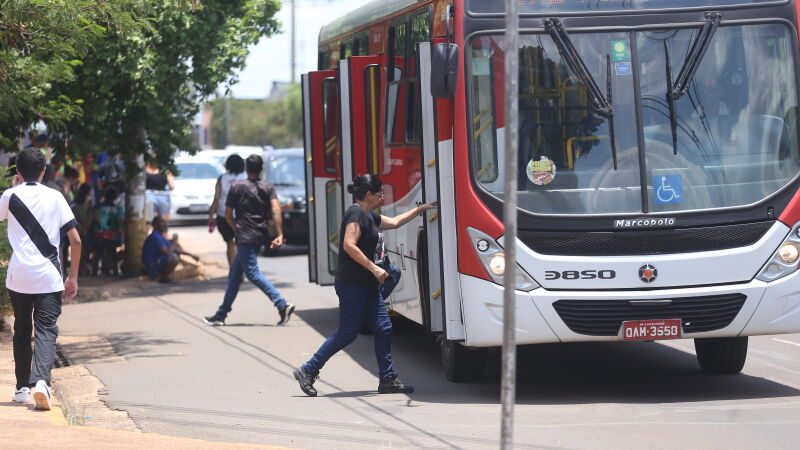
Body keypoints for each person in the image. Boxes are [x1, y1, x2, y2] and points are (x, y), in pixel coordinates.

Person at [293, 174, 437, 397]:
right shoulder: (356, 213)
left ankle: (387, 378)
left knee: (384, 328)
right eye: (379, 193)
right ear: (369, 195)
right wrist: (374, 268)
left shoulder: (369, 215)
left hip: (367, 285)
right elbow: (349, 245)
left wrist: (421, 210)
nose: (382, 197)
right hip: (352, 284)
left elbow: (396, 222)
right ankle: (308, 369)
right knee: (347, 333)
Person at [0, 147, 81, 411]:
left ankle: (22, 388)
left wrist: (13, 189)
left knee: (22, 329)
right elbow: (76, 240)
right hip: (48, 276)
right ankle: (42, 383)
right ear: (44, 171)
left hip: (19, 277)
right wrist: (73, 277)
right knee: (46, 330)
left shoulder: (9, 196)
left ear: (18, 172)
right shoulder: (56, 197)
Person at [203, 154, 295, 327]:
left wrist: (237, 229)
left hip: (245, 235)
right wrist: (280, 234)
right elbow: (276, 210)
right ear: (261, 169)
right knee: (235, 275)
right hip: (259, 234)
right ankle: (221, 314)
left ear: (247, 168)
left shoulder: (237, 187)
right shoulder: (268, 187)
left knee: (252, 272)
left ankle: (282, 304)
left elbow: (228, 214)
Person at [208, 154, 246, 267]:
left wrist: (211, 215)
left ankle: (233, 270)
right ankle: (240, 270)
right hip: (242, 215)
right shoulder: (246, 177)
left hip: (223, 214)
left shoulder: (222, 178)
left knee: (230, 244)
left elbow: (217, 198)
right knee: (241, 244)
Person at [141, 215, 198, 283]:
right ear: (155, 225)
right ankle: (163, 278)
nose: (164, 225)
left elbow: (175, 249)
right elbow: (167, 252)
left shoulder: (160, 236)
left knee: (175, 253)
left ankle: (167, 276)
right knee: (174, 258)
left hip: (156, 264)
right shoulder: (155, 236)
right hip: (151, 267)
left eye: (164, 222)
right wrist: (175, 241)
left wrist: (191, 255)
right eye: (161, 222)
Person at [89, 186, 125, 276]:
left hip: (97, 237)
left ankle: (94, 272)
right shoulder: (118, 209)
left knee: (97, 252)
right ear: (115, 197)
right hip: (112, 238)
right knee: (113, 252)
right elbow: (121, 224)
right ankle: (114, 271)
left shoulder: (96, 207)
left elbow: (91, 222)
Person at [145, 157, 174, 221]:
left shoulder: (143, 171)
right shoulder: (165, 171)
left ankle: (150, 229)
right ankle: (162, 229)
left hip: (148, 195)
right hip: (163, 195)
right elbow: (172, 186)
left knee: (149, 219)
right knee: (164, 219)